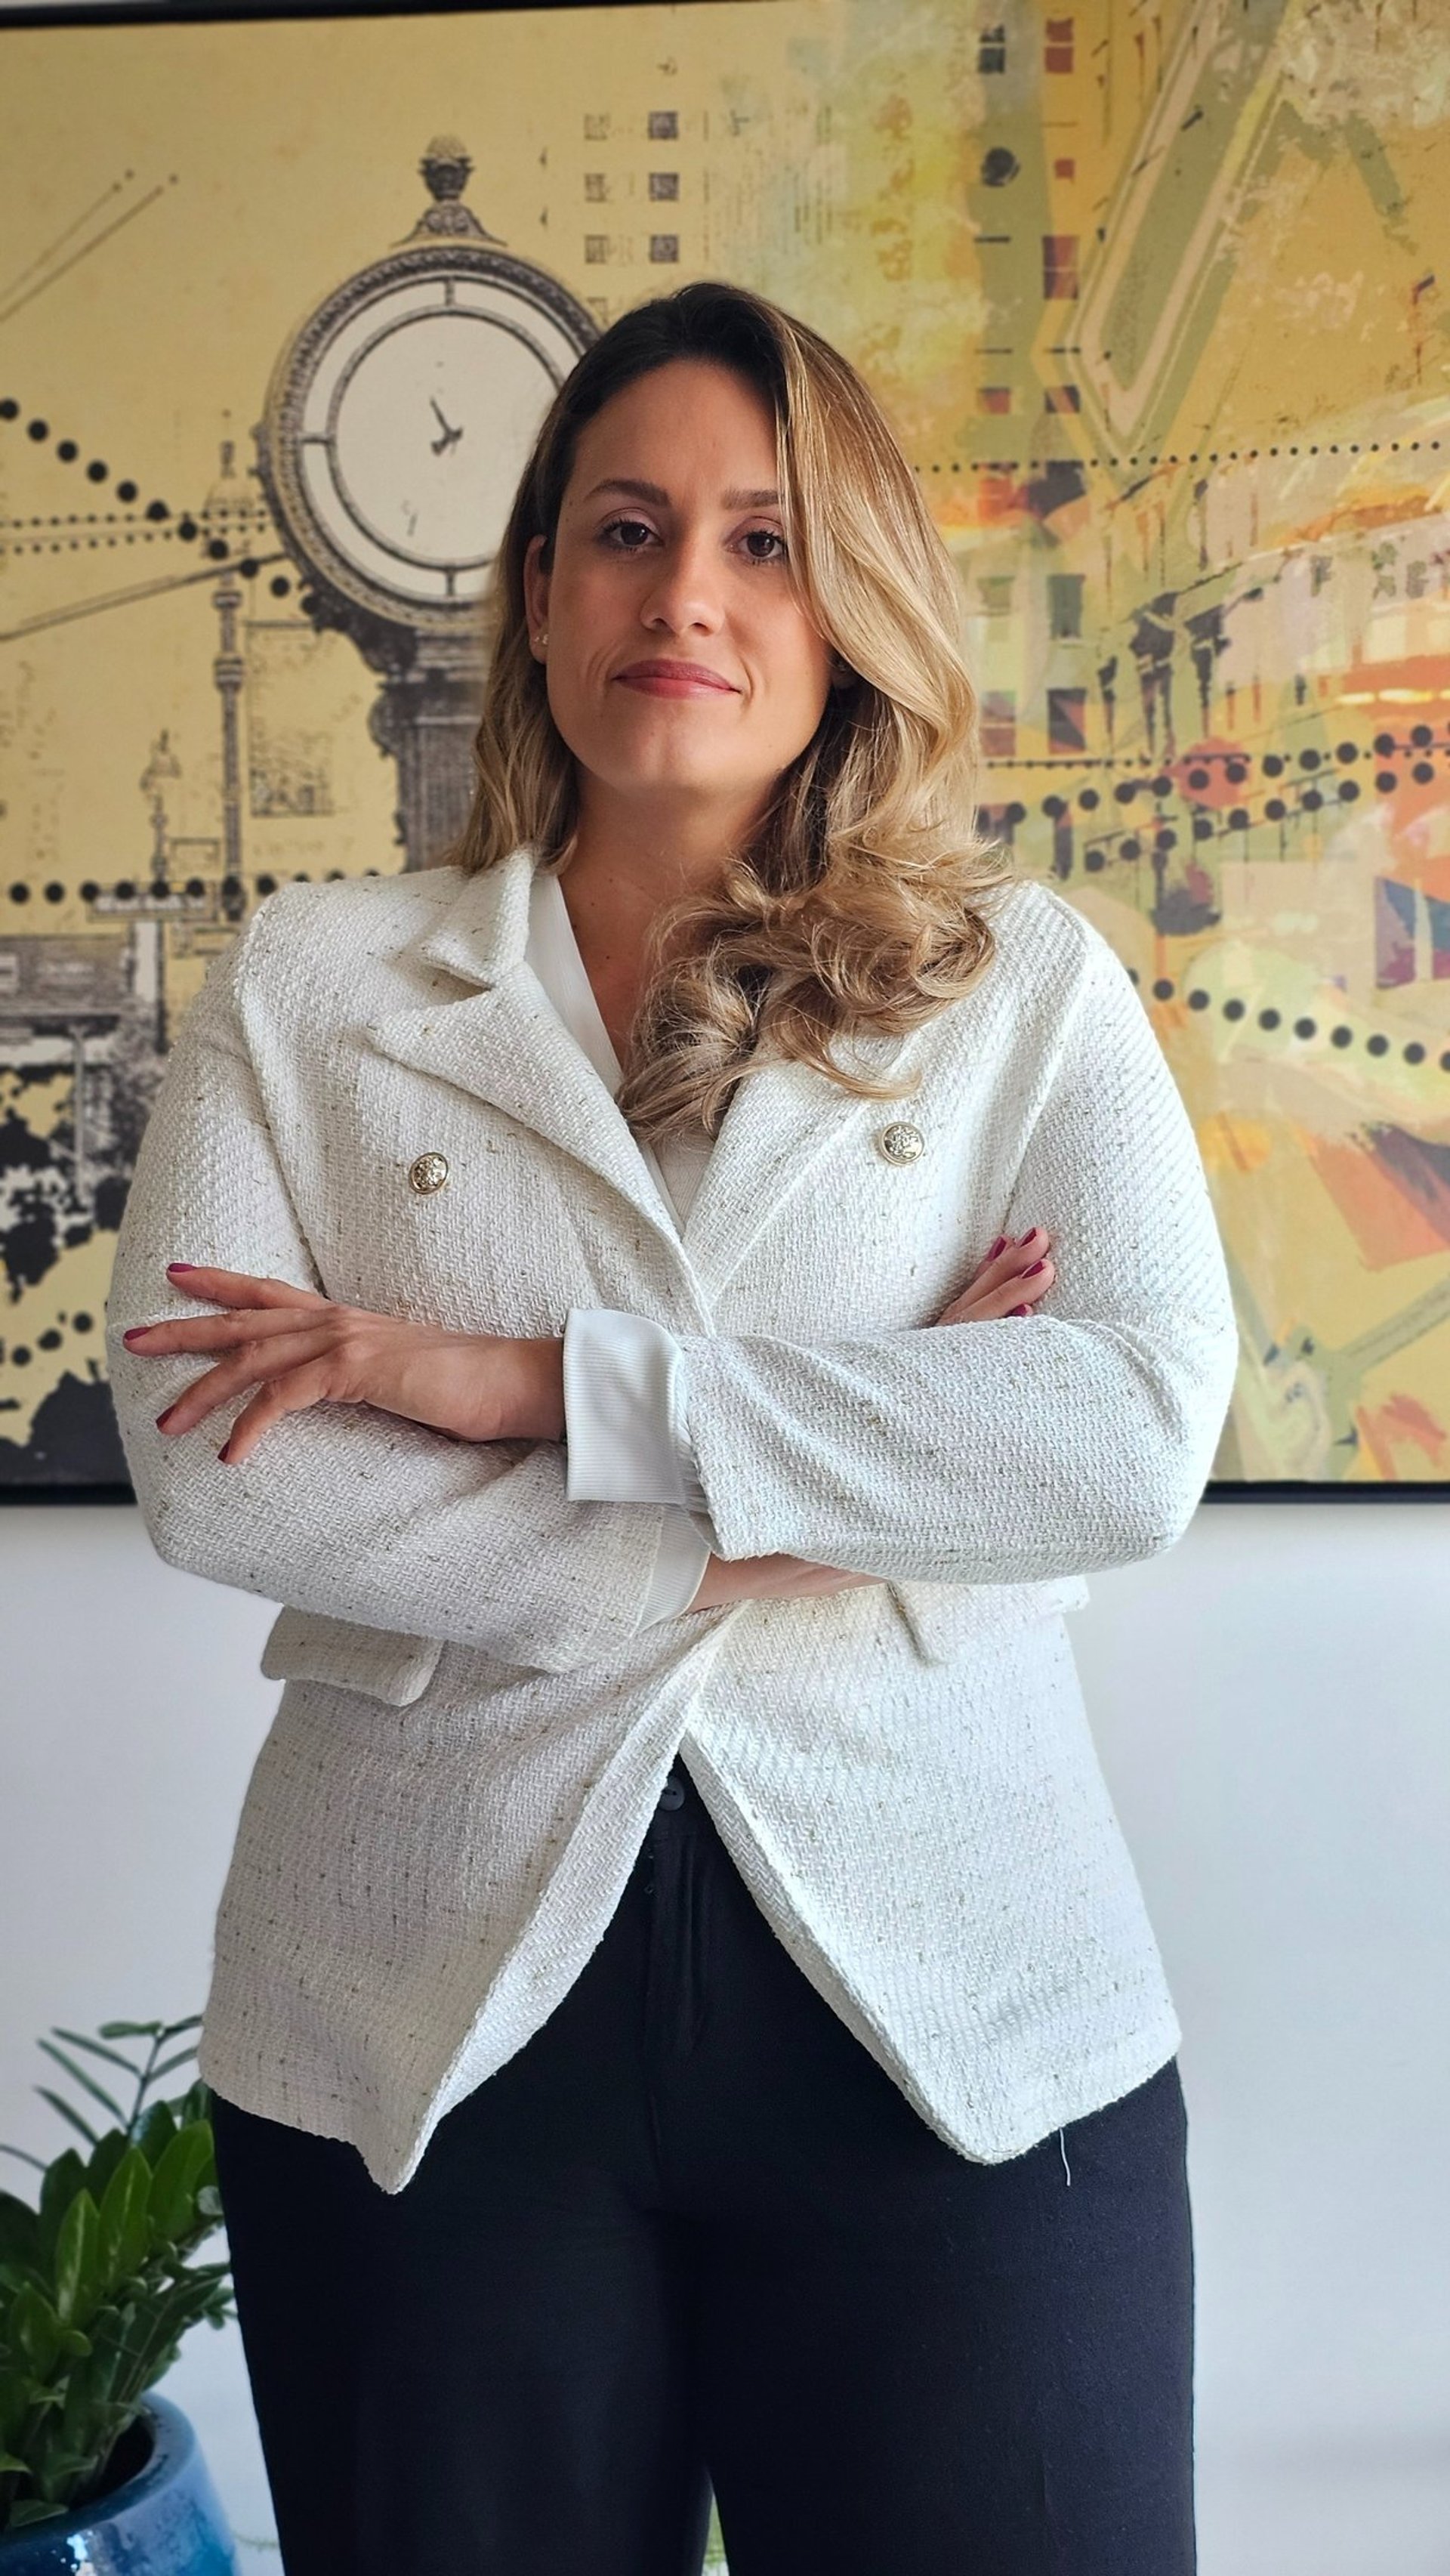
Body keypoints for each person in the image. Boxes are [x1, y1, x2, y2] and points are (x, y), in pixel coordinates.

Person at [105, 280, 1239, 2574]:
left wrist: (522, 1391)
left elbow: (1117, 1432)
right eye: (624, 531)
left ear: (855, 609)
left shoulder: (1018, 990)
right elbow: (210, 1461)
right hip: (415, 2015)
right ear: (534, 596)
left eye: (763, 539)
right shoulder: (317, 983)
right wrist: (835, 1478)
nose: (686, 595)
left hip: (961, 2002)